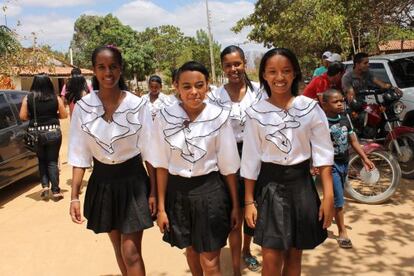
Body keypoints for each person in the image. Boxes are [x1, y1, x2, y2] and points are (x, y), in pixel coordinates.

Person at [242, 48, 334, 276]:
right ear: (263, 74)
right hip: (269, 187)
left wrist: (329, 197)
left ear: (295, 74)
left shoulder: (310, 108)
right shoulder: (255, 113)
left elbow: (323, 153)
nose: (279, 77)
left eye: (285, 71)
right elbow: (251, 158)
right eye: (272, 71)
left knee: (294, 256)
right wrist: (248, 201)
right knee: (272, 260)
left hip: (301, 186)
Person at [68, 45, 156, 276]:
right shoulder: (84, 108)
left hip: (133, 182)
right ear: (94, 71)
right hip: (103, 182)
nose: (108, 73)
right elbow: (79, 154)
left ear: (121, 69)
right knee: (118, 247)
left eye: (113, 67)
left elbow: (150, 151)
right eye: (102, 67)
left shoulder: (138, 105)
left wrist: (154, 191)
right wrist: (74, 197)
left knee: (131, 251)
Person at [149, 61, 241, 276]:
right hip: (178, 194)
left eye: (199, 85)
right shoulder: (164, 117)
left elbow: (228, 166)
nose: (194, 92)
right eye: (187, 86)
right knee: (190, 250)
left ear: (208, 85)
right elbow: (161, 165)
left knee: (210, 262)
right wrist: (162, 209)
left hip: (211, 193)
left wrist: (236, 205)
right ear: (176, 86)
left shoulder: (219, 117)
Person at [207, 45, 266, 274]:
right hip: (227, 158)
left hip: (256, 157)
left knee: (252, 209)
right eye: (228, 65)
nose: (233, 69)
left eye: (237, 63)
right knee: (235, 213)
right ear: (223, 67)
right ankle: (235, 267)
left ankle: (246, 251)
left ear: (244, 64)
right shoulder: (214, 96)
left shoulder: (260, 91)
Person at [321, 89, 375, 249]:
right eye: (335, 102)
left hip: (344, 162)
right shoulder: (322, 121)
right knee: (338, 199)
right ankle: (342, 231)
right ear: (324, 105)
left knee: (333, 194)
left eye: (341, 101)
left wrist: (364, 158)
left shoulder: (345, 119)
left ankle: (323, 213)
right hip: (329, 165)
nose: (340, 104)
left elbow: (353, 141)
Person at [19, 74, 68, 201]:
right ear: (49, 84)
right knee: (52, 161)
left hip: (36, 134)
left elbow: (23, 116)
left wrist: (35, 118)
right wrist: (52, 116)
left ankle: (45, 187)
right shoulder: (56, 98)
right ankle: (56, 191)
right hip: (53, 133)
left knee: (41, 160)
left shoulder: (28, 98)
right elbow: (64, 115)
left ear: (34, 84)